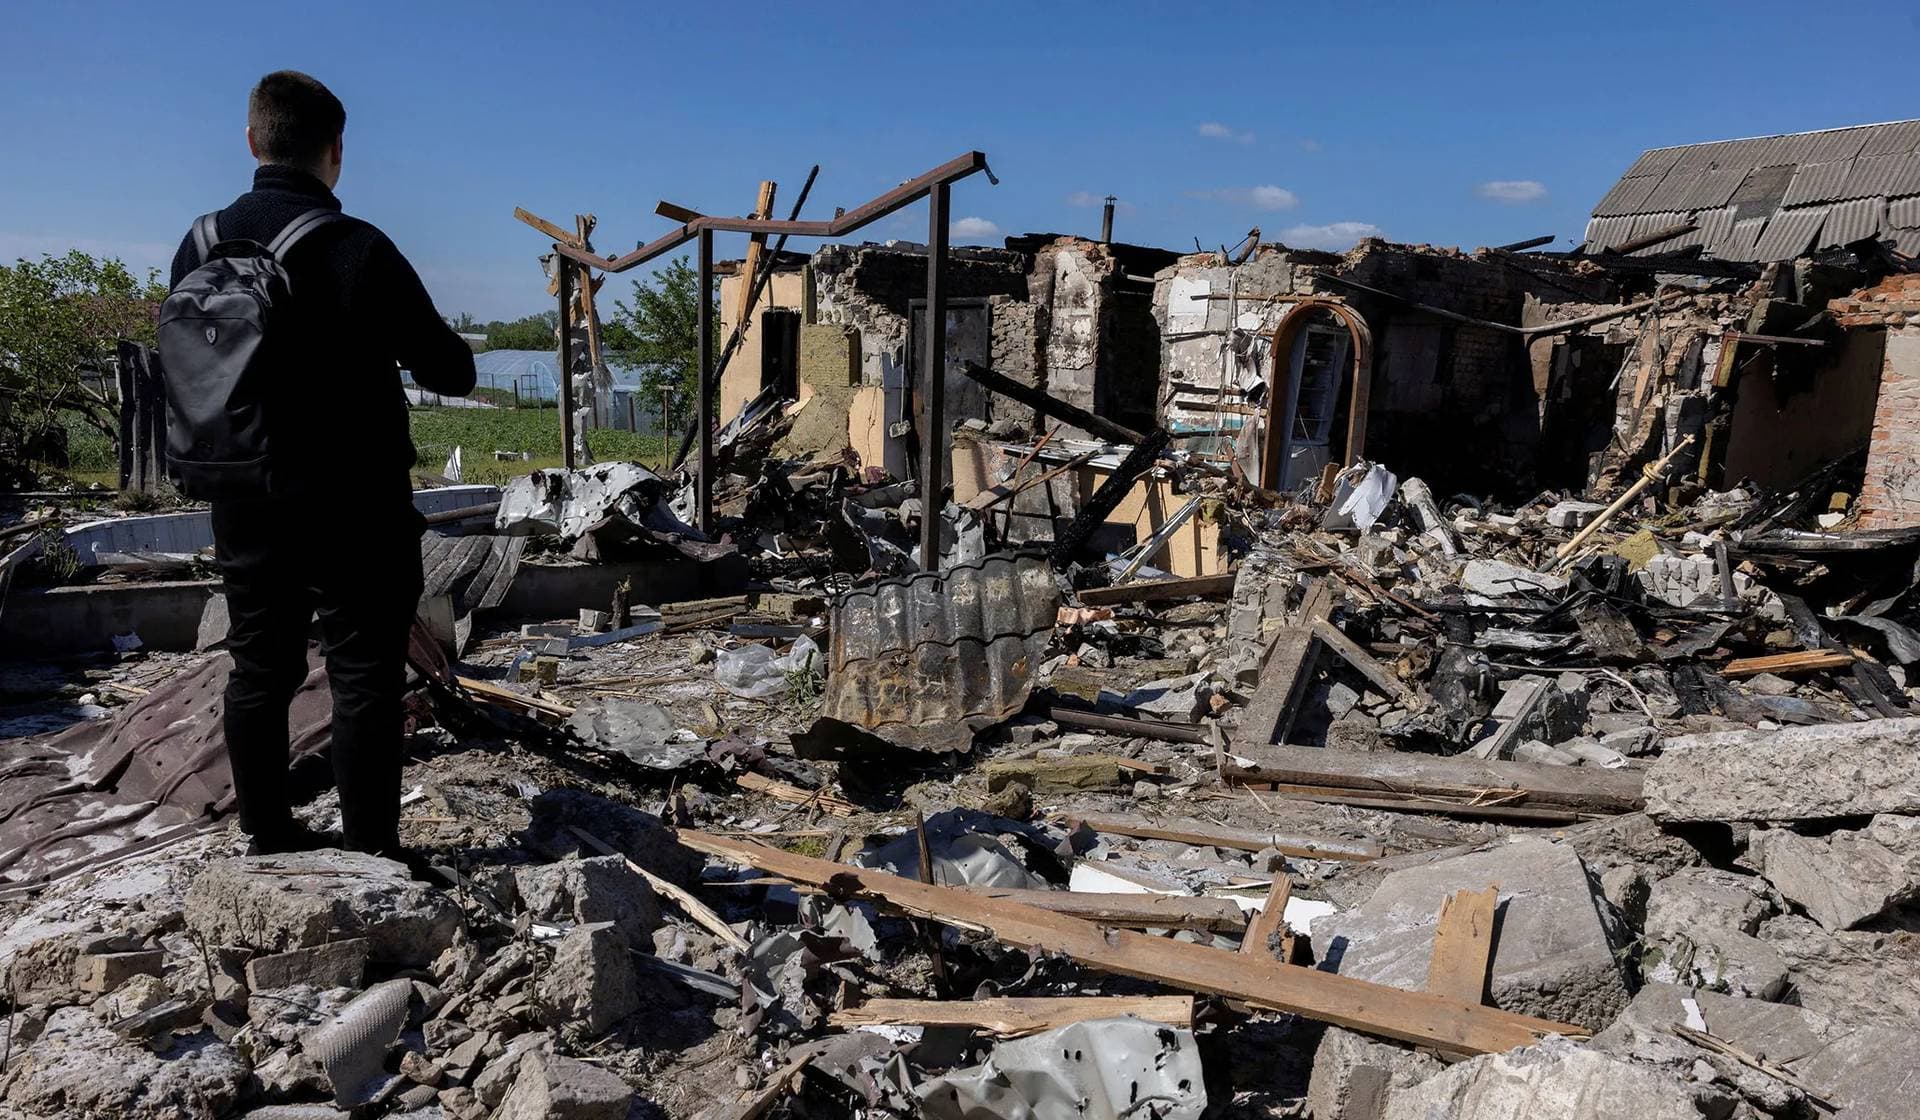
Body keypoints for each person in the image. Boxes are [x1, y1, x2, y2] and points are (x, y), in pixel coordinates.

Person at [168, 70, 475, 861]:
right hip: (356, 504)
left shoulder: (199, 244)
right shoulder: (356, 249)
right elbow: (453, 372)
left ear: (250, 141)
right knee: (365, 673)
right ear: (336, 152)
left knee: (257, 669)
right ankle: (371, 853)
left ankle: (267, 835)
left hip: (244, 496)